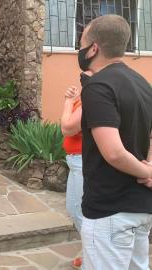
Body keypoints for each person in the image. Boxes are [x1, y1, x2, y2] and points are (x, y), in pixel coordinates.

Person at [78, 14, 152, 269]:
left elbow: (114, 153)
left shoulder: (98, 86)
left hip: (110, 211)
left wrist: (147, 171)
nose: (80, 48)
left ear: (94, 48)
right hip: (141, 208)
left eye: (82, 42)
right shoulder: (143, 83)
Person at [60, 70, 91, 269]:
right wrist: (70, 100)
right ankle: (90, 253)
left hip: (81, 161)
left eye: (86, 78)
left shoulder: (90, 102)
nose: (82, 81)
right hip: (74, 161)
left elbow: (67, 127)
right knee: (73, 209)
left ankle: (92, 255)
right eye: (82, 77)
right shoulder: (83, 100)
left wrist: (68, 102)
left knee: (80, 211)